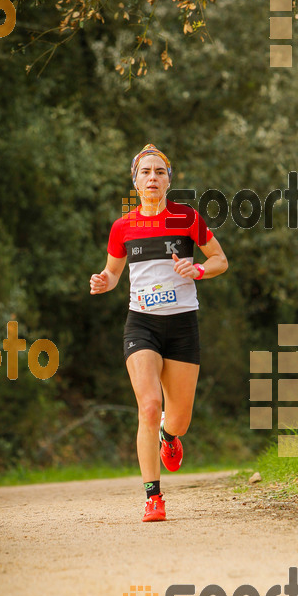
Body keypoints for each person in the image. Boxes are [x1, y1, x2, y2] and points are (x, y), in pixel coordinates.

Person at [90, 144, 228, 522]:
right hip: (142, 324)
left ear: (169, 180)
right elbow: (114, 273)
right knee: (149, 407)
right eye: (146, 172)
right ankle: (153, 496)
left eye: (159, 172)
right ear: (135, 182)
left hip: (183, 325)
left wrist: (198, 270)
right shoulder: (123, 227)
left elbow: (220, 260)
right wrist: (104, 281)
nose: (153, 178)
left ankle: (171, 437)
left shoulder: (186, 218)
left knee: (177, 419)